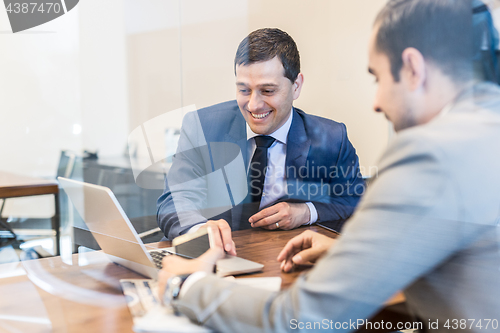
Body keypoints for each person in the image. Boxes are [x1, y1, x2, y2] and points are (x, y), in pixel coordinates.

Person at [157, 0, 500, 332]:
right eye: (244, 89)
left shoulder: (429, 154)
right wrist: (345, 251)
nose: (377, 103)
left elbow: (301, 320)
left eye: (377, 78)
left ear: (412, 68)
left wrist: (184, 286)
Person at [157, 28, 365, 252]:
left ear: (296, 86)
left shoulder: (332, 138)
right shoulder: (202, 127)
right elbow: (175, 200)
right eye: (244, 90)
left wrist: (306, 212)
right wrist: (198, 231)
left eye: (267, 90)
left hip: (289, 262)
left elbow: (354, 203)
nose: (254, 105)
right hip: (217, 262)